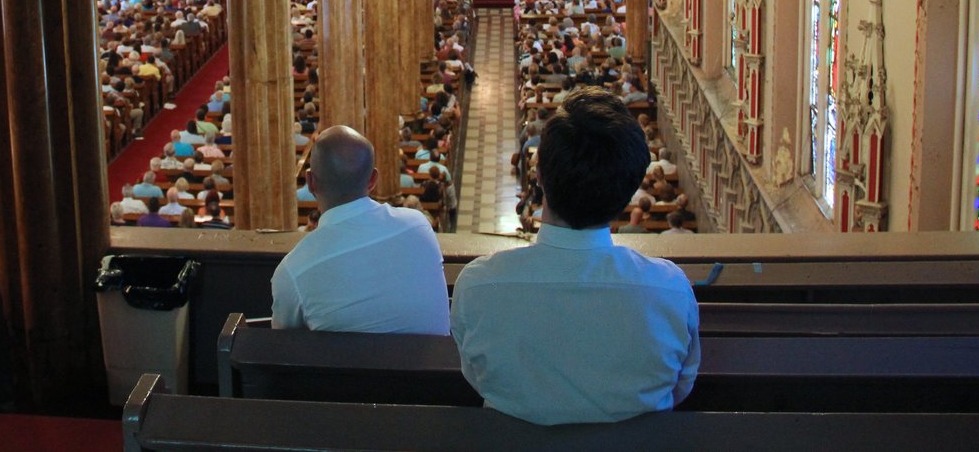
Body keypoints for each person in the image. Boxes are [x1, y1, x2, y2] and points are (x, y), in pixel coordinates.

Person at [450, 91, 699, 425]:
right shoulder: (669, 289)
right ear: (630, 191)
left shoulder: (479, 284)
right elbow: (680, 386)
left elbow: (477, 378)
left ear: (538, 175)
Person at [270, 125, 449, 334]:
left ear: (310, 182)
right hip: (434, 364)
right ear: (373, 180)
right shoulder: (418, 225)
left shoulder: (292, 270)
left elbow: (283, 347)